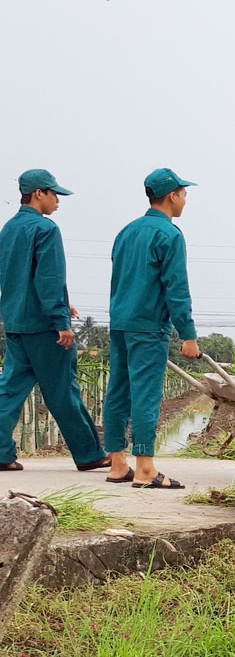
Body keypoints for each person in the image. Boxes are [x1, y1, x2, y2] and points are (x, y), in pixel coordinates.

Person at [0, 170, 108, 473]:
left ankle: (0, 452)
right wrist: (61, 320)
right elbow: (49, 277)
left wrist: (62, 303)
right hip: (43, 326)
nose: (57, 201)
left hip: (14, 323)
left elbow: (14, 277)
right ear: (38, 194)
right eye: (54, 194)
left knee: (10, 389)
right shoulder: (45, 228)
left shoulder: (8, 229)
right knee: (62, 390)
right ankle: (89, 453)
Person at [103, 168, 199, 489]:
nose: (185, 199)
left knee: (117, 389)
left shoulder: (126, 232)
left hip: (119, 322)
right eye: (184, 193)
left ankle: (118, 464)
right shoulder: (169, 235)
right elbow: (176, 288)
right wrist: (187, 334)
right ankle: (145, 468)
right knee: (145, 393)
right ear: (172, 195)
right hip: (147, 325)